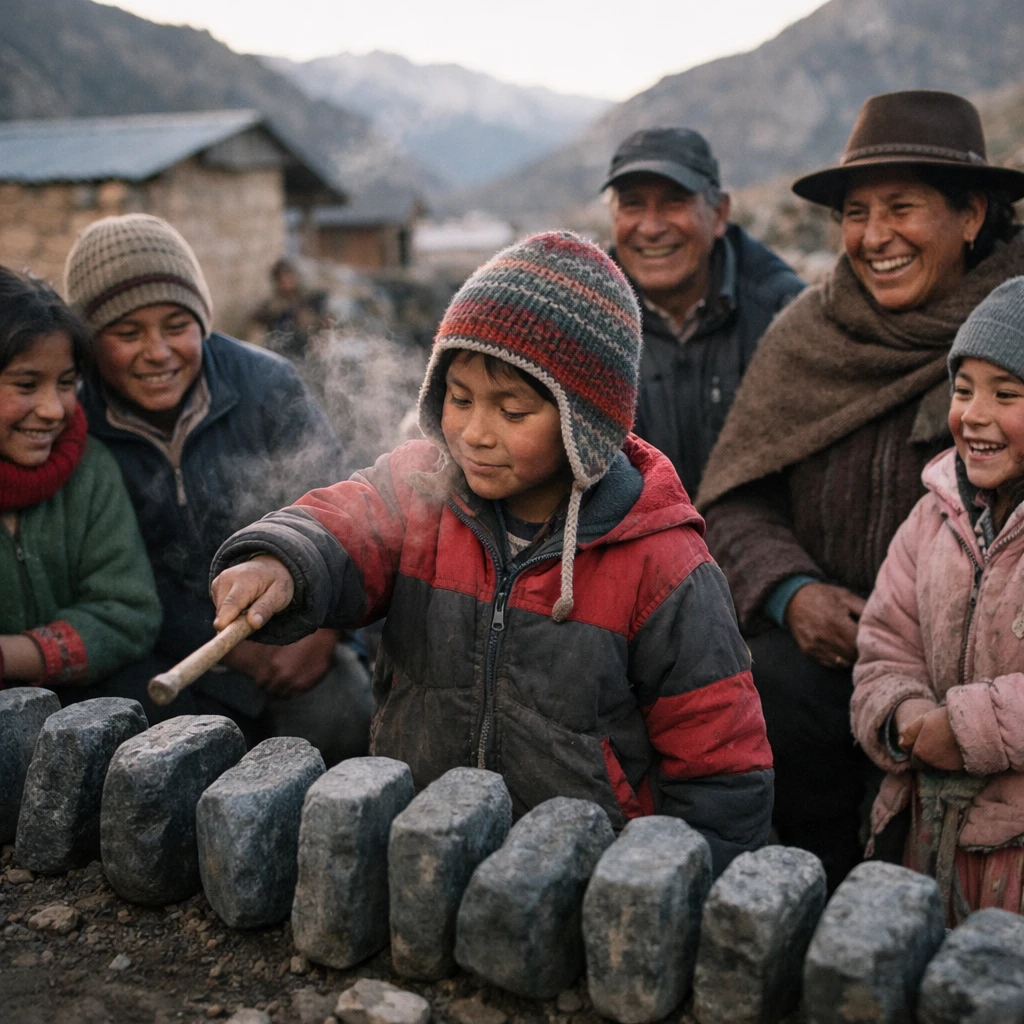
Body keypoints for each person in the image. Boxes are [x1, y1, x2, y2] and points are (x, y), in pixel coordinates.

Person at [208, 232, 774, 875]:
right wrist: (279, 561)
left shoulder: (662, 565)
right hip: (422, 845)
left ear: (582, 423)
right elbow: (342, 524)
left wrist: (692, 895)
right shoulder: (420, 492)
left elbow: (722, 762)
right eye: (459, 399)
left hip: (586, 881)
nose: (475, 434)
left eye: (512, 409)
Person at [696, 90, 1024, 889]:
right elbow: (735, 497)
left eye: (902, 207)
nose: (874, 237)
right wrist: (791, 593)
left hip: (986, 690)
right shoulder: (810, 334)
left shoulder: (1013, 334)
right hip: (822, 671)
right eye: (855, 212)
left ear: (973, 214)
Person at [64, 214, 371, 763]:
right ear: (87, 344)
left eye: (177, 325)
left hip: (291, 636)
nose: (157, 352)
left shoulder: (264, 385)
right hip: (163, 652)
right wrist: (232, 655)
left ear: (202, 321)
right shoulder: (75, 423)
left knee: (345, 714)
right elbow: (112, 584)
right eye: (127, 333)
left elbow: (341, 517)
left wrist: (327, 634)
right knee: (148, 760)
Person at [853, 277, 1024, 923]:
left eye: (1006, 394)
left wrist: (969, 729)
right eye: (963, 390)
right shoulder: (933, 519)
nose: (974, 414)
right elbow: (884, 641)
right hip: (932, 833)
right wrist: (903, 713)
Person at [603, 127, 804, 496]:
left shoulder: (784, 314)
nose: (650, 228)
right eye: (632, 204)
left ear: (720, 213)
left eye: (673, 203)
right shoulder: (582, 321)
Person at [0, 267, 160, 691]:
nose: (53, 409)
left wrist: (10, 656)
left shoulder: (88, 468)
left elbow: (129, 613)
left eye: (66, 383)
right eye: (27, 384)